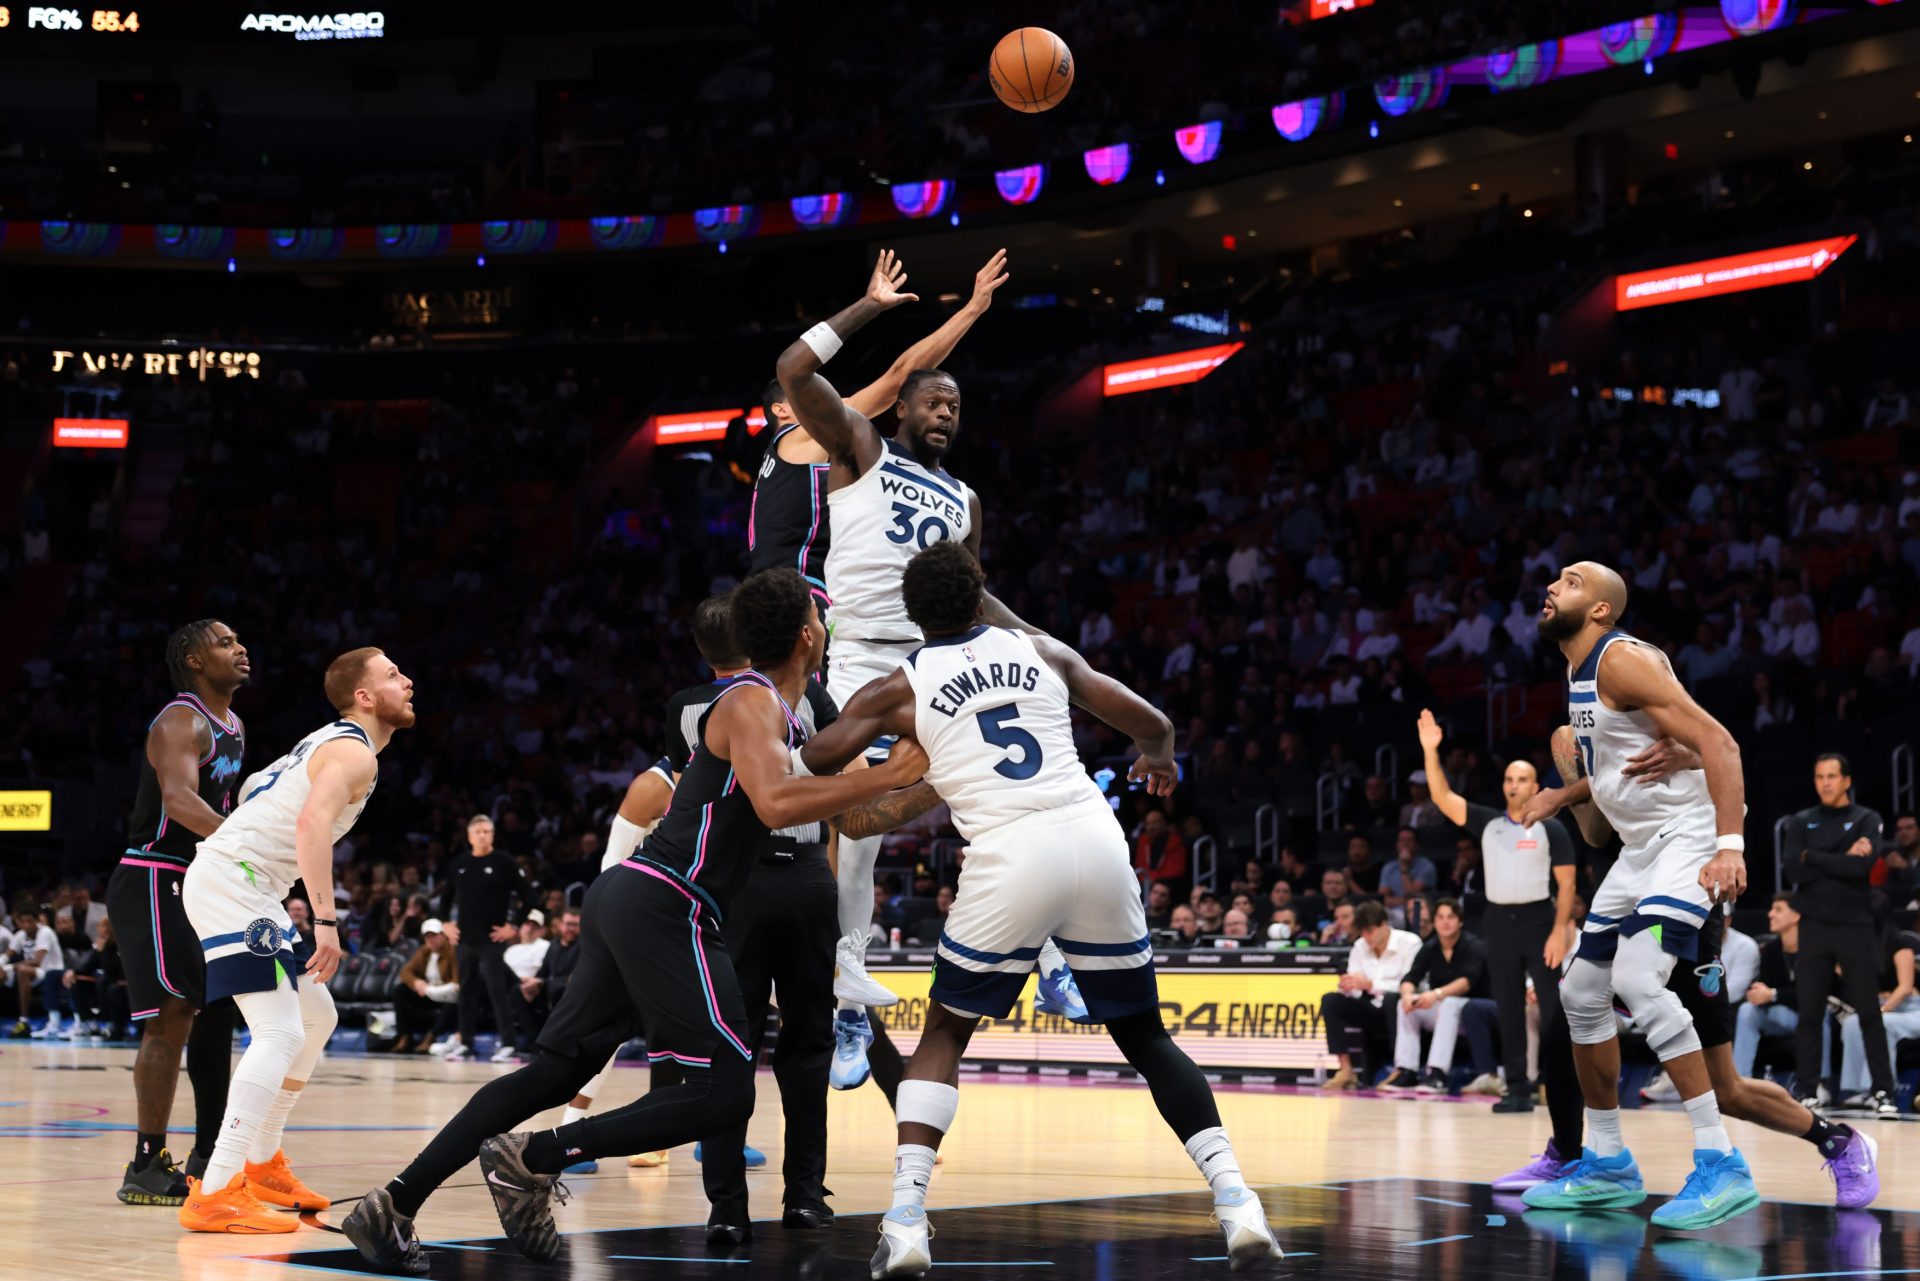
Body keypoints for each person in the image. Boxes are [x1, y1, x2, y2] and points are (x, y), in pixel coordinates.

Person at [339, 569, 925, 1274]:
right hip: (666, 898)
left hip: (640, 897)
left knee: (553, 1072)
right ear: (809, 636)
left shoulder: (787, 713)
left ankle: (393, 1202)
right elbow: (775, 803)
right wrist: (887, 772)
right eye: (820, 619)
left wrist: (930, 784)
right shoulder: (748, 699)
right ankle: (535, 1156)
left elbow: (852, 813)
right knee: (724, 1087)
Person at [807, 541, 1277, 1275]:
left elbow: (816, 759)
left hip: (1011, 854)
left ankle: (905, 1220)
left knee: (945, 1030)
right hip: (1094, 838)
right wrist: (1156, 757)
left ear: (912, 614)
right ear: (980, 592)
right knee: (1147, 1037)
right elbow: (1151, 720)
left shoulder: (900, 685)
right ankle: (1240, 1203)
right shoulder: (1040, 648)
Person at [775, 250, 1087, 1088]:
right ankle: (849, 1000)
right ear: (904, 401)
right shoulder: (860, 447)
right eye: (933, 398)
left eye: (956, 403)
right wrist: (871, 308)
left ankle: (1052, 950)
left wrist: (1043, 646)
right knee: (855, 834)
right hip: (862, 660)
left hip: (937, 661)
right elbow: (793, 368)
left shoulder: (966, 500)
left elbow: (974, 598)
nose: (946, 410)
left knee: (1007, 795)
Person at [1499, 734, 1880, 1211]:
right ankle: (1583, 1157)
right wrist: (1571, 786)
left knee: (1727, 1090)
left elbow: (1724, 756)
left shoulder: (1652, 711)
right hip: (1630, 897)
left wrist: (1721, 825)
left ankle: (1839, 1142)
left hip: (1687, 909)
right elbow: (1597, 832)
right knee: (1567, 1027)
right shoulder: (1603, 747)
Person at [1517, 562, 1759, 1230]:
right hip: (1640, 850)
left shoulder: (1620, 659)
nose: (1552, 585)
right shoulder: (1577, 672)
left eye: (1569, 581)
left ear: (1599, 610)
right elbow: (1622, 771)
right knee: (1579, 990)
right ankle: (1608, 1160)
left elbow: (1718, 739)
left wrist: (1729, 845)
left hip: (1687, 839)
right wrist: (1563, 793)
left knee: (1638, 977)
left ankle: (1721, 1162)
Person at [178, 646, 415, 1234]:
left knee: (318, 1016)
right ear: (364, 697)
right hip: (236, 885)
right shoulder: (354, 753)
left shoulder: (324, 740)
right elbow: (311, 824)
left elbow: (263, 788)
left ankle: (262, 1164)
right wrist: (327, 923)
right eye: (392, 675)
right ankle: (216, 1190)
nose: (407, 681)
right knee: (280, 1031)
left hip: (251, 886)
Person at [750, 248, 1008, 610]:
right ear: (781, 409)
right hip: (799, 592)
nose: (835, 402)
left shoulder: (778, 459)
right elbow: (897, 380)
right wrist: (972, 309)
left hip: (773, 593)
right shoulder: (802, 435)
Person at [104, 619, 250, 1205]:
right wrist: (247, 845)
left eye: (239, 641)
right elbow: (181, 801)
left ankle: (208, 1153)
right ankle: (146, 1161)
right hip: (155, 873)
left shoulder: (233, 724)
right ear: (193, 660)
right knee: (170, 1017)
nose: (240, 649)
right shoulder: (179, 718)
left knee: (214, 1014)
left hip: (198, 876)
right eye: (225, 642)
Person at [1416, 708, 1575, 1113]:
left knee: (1552, 1009)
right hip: (1498, 922)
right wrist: (1430, 751)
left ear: (1535, 785)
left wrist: (1559, 931)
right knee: (1507, 1007)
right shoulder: (1489, 824)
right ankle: (1518, 1088)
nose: (1514, 785)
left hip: (1540, 919)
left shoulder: (1551, 827)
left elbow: (1568, 883)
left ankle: (1562, 1084)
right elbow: (1442, 797)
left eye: (1522, 779)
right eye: (1508, 779)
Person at [1784, 753, 1899, 1116]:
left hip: (1855, 925)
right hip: (1814, 925)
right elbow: (1793, 870)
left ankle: (1883, 1092)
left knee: (1868, 1011)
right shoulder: (1801, 821)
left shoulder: (1867, 819)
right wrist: (1840, 859)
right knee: (1809, 1012)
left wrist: (1813, 857)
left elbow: (1862, 866)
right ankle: (1807, 1090)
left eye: (1832, 776)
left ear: (1847, 780)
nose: (1825, 783)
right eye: (1819, 776)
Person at [441, 813, 535, 1063]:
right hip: (464, 938)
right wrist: (446, 925)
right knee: (466, 991)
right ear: (470, 836)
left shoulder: (505, 862)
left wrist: (513, 926)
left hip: (492, 938)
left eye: (487, 831)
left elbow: (530, 896)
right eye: (478, 831)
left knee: (497, 989)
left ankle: (508, 1044)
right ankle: (466, 1043)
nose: (483, 835)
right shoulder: (459, 864)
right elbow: (444, 899)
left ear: (492, 835)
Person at [1380, 898, 1495, 1094]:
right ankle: (1406, 1070)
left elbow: (1466, 982)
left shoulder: (1473, 945)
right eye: (1440, 917)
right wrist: (1408, 995)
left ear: (1460, 921)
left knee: (1449, 1003)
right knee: (1406, 1006)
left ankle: (1437, 1073)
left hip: (1474, 1010)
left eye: (1451, 917)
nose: (1445, 922)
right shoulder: (1431, 946)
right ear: (1434, 922)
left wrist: (1436, 993)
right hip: (1445, 1012)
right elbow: (1410, 977)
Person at [1319, 900, 1421, 1090]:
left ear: (1384, 924)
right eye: (1362, 932)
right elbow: (1356, 985)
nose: (1366, 937)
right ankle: (1346, 1069)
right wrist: (1349, 986)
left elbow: (1410, 984)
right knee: (1331, 1000)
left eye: (1370, 931)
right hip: (1371, 1008)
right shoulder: (1360, 946)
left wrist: (1371, 984)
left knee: (1393, 999)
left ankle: (1402, 1068)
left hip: (1402, 1009)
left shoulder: (1409, 943)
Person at [1834, 924, 1918, 1109]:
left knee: (1878, 1024)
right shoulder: (1862, 947)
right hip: (1883, 1008)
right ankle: (1856, 1089)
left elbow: (1904, 988)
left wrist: (1881, 1010)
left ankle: (1878, 1090)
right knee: (1852, 1023)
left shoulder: (1900, 943)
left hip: (1913, 1010)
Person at [1730, 895, 1802, 1079]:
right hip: (1780, 1014)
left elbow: (1813, 994)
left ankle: (1820, 1083)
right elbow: (1766, 987)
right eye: (1771, 909)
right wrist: (1759, 993)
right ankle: (1741, 1080)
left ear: (1795, 916)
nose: (1770, 914)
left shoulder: (1814, 949)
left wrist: (1773, 995)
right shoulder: (1771, 949)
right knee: (1747, 1010)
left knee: (1819, 1015)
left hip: (1807, 1013)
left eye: (1778, 910)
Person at [393, 920, 459, 1054]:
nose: (431, 940)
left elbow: (457, 983)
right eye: (427, 936)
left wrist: (433, 990)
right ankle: (405, 1036)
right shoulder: (424, 951)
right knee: (400, 990)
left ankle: (431, 1037)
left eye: (434, 936)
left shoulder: (452, 951)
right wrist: (417, 983)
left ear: (442, 935)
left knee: (452, 1002)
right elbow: (405, 972)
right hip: (428, 994)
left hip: (446, 994)